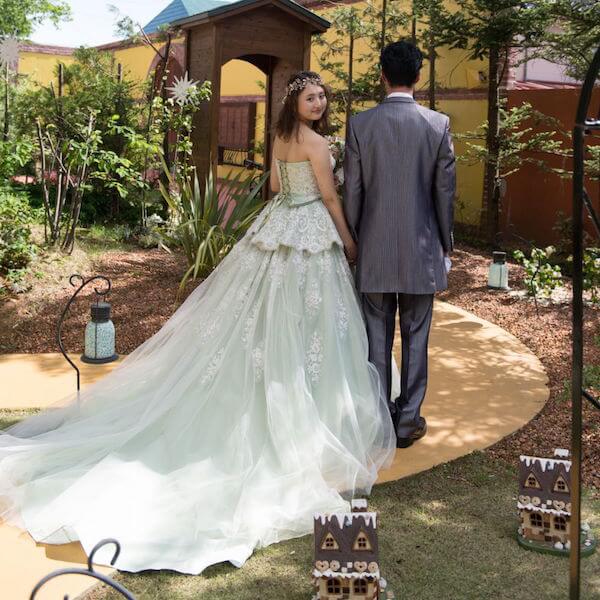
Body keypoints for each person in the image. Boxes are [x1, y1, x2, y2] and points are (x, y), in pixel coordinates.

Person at [0, 71, 395, 574]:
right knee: (311, 320)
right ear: (295, 102)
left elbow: (275, 188)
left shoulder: (278, 138)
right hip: (312, 230)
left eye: (321, 97)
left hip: (277, 225)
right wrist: (349, 239)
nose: (318, 103)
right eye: (310, 97)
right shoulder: (318, 145)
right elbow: (331, 198)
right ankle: (309, 406)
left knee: (272, 314)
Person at [343, 41, 456, 449]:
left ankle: (378, 420)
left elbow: (352, 191)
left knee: (376, 336)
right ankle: (407, 421)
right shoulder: (437, 124)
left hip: (373, 248)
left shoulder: (360, 124)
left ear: (382, 76)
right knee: (416, 335)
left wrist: (354, 239)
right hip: (421, 250)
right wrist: (445, 244)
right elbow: (444, 192)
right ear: (418, 77)